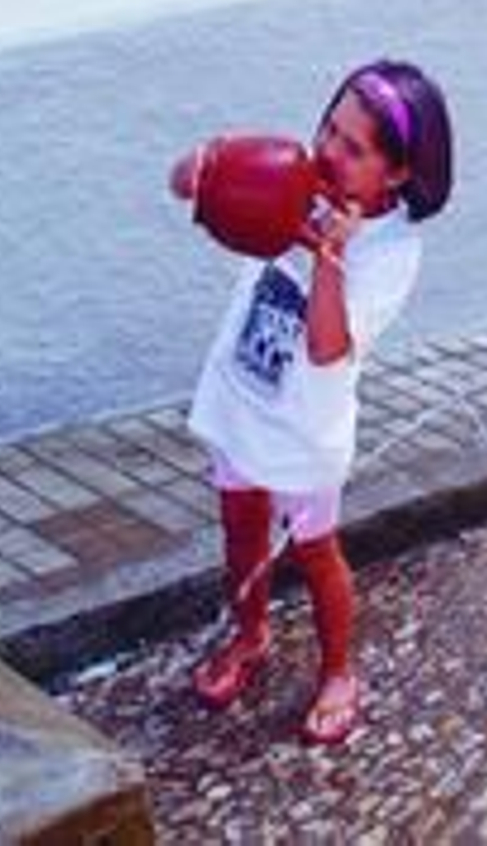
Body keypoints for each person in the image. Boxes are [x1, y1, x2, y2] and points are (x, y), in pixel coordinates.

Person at [171, 59, 453, 744]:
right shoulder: (294, 180)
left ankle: (337, 671)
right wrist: (211, 164)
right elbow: (188, 185)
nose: (329, 149)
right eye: (330, 127)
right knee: (240, 527)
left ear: (396, 172)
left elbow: (329, 347)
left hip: (304, 425)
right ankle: (251, 633)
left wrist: (328, 250)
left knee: (315, 549)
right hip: (243, 393)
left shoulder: (392, 250)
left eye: (354, 148)